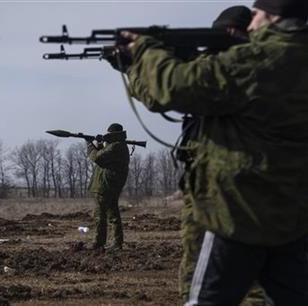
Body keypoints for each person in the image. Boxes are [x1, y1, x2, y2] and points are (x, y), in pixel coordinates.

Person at [108, 0, 308, 304]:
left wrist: (146, 53)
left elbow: (174, 87)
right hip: (293, 213)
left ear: (272, 15)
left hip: (237, 210)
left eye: (256, 15)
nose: (252, 24)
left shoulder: (255, 61)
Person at [178, 6, 266, 306]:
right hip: (200, 187)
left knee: (251, 280)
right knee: (195, 273)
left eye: (226, 33)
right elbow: (178, 89)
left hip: (239, 190)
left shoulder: (252, 71)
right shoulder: (207, 70)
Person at [87, 123, 130, 251]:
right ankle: (117, 243)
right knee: (113, 215)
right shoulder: (117, 146)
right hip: (111, 185)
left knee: (100, 216)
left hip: (106, 185)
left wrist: (90, 145)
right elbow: (104, 156)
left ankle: (98, 243)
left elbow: (98, 157)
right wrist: (99, 144)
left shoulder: (116, 146)